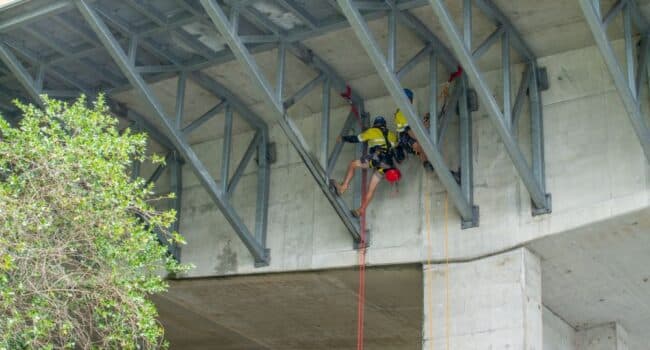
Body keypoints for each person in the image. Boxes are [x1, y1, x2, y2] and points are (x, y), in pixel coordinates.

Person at [330, 116, 398, 217]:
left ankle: (342, 188)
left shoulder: (373, 131)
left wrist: (343, 138)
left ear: (375, 124)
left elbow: (356, 138)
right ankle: (360, 211)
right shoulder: (391, 135)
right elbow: (396, 147)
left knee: (353, 164)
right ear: (384, 125)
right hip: (388, 165)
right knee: (371, 189)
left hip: (377, 160)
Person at [394, 88, 434, 172]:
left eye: (409, 100)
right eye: (408, 99)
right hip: (404, 136)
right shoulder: (401, 113)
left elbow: (416, 127)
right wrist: (422, 137)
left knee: (420, 145)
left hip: (410, 133)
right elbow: (410, 131)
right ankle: (425, 161)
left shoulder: (410, 112)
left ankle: (426, 163)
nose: (409, 102)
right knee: (418, 144)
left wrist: (425, 122)